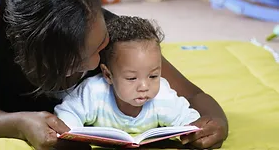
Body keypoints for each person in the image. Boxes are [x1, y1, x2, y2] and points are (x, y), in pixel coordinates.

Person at [0, 0, 228, 150]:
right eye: (74, 62)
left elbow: (193, 96)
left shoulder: (107, 31)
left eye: (99, 47)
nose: (96, 63)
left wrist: (216, 125)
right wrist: (19, 124)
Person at [54, 16, 201, 132]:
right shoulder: (94, 92)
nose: (144, 86)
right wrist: (73, 135)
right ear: (108, 75)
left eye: (153, 76)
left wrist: (193, 132)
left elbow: (189, 118)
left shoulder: (163, 96)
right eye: (132, 78)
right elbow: (67, 113)